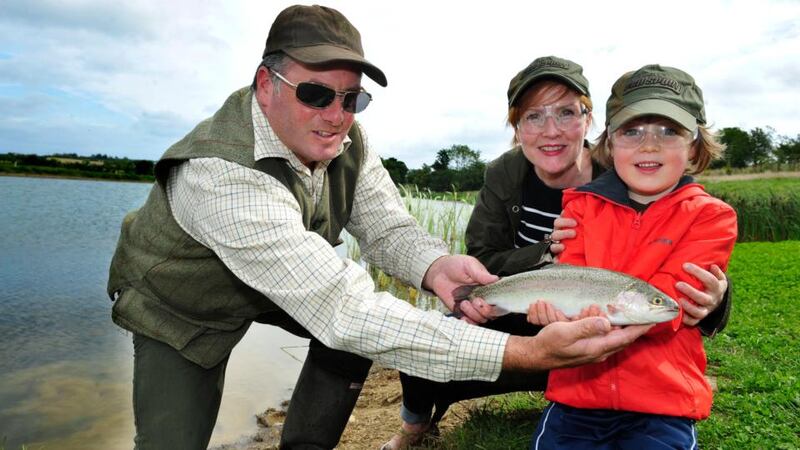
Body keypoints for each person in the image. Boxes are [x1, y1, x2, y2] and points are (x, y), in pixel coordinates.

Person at [106, 8, 652, 450]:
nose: (336, 115)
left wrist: (438, 268)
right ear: (265, 84)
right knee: (171, 440)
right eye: (316, 94)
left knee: (348, 343)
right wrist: (523, 354)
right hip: (184, 306)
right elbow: (344, 309)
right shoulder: (217, 174)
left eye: (352, 99)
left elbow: (389, 230)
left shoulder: (349, 142)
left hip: (293, 281)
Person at [384, 57, 732, 449]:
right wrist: (545, 254)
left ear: (589, 121)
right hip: (539, 315)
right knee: (431, 336)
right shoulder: (510, 176)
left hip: (625, 350)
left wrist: (714, 299)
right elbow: (483, 255)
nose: (551, 130)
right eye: (534, 116)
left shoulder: (637, 169)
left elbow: (678, 269)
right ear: (517, 128)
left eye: (566, 113)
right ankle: (416, 422)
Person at [531, 64, 738, 449]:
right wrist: (556, 312)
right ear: (609, 142)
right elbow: (571, 280)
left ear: (695, 145)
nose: (649, 145)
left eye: (669, 131)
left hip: (663, 399)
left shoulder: (712, 216)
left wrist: (595, 313)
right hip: (577, 390)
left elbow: (670, 300)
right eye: (632, 131)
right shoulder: (578, 208)